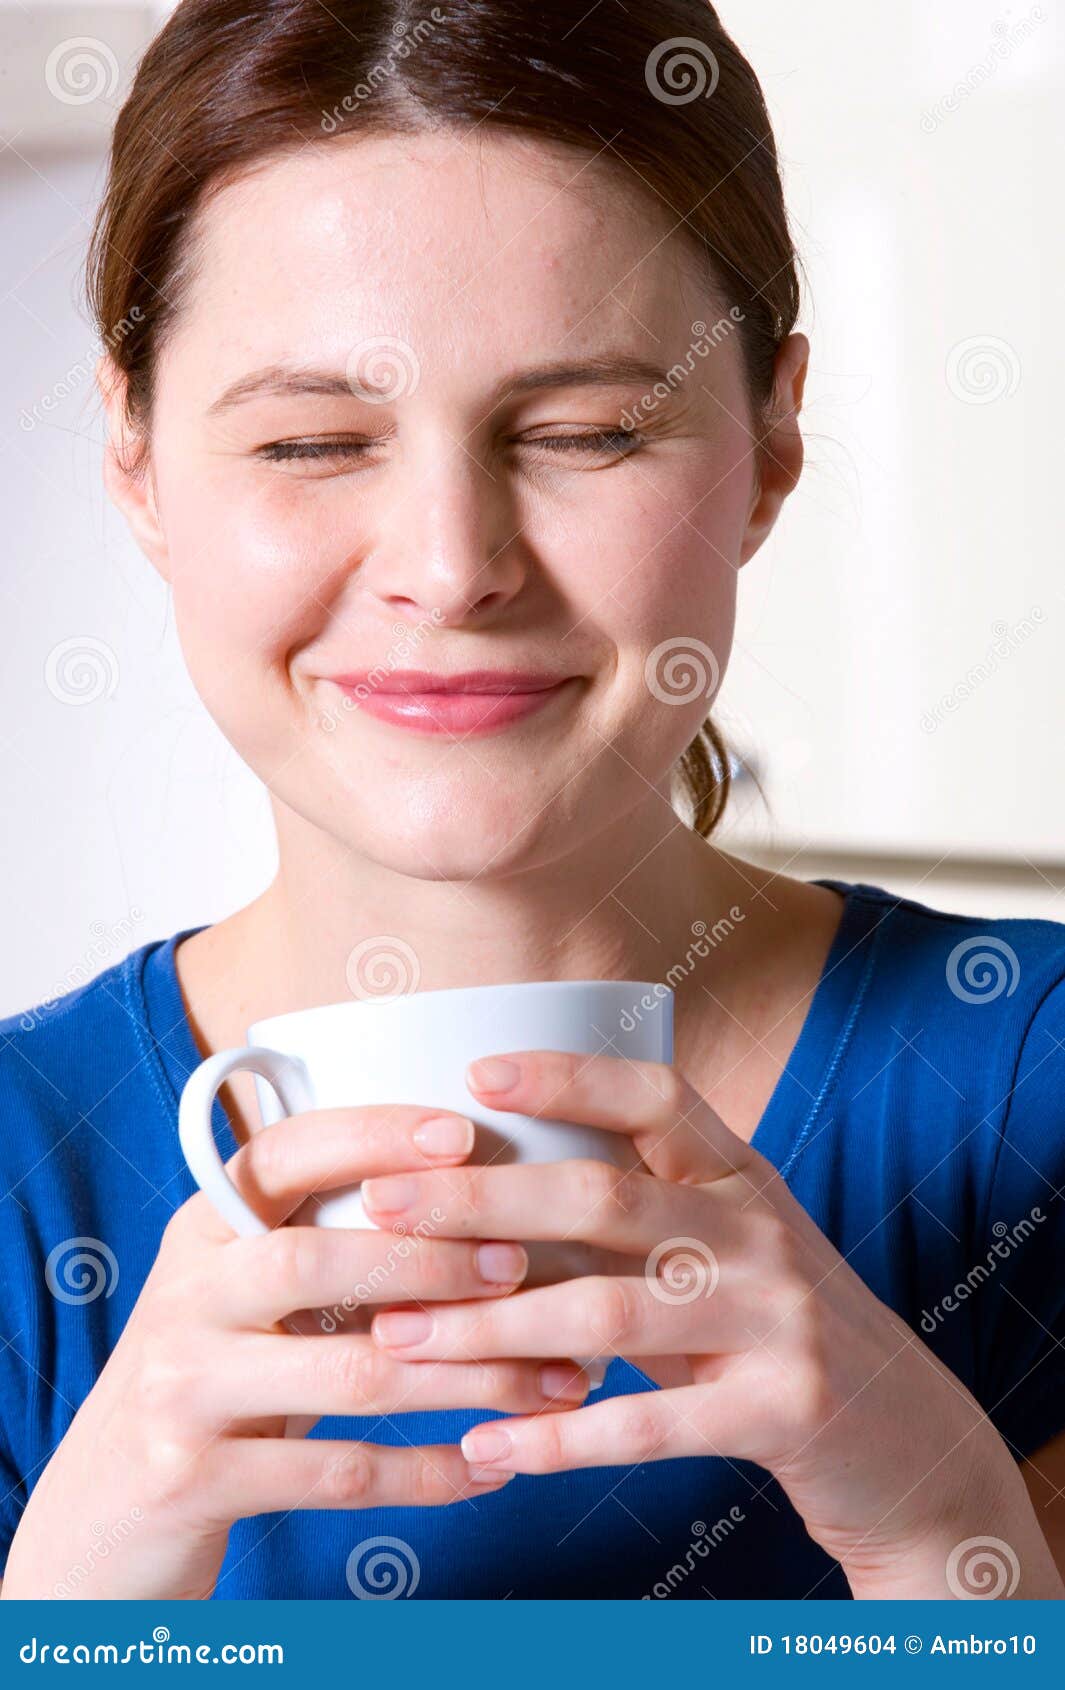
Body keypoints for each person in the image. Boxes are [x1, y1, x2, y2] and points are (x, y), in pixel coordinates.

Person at [2, 0, 1063, 1600]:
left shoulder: (1027, 1094)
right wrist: (80, 1605)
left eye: (584, 431)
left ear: (770, 439)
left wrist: (935, 1529)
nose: (451, 566)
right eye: (309, 441)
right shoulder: (28, 1178)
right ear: (138, 456)